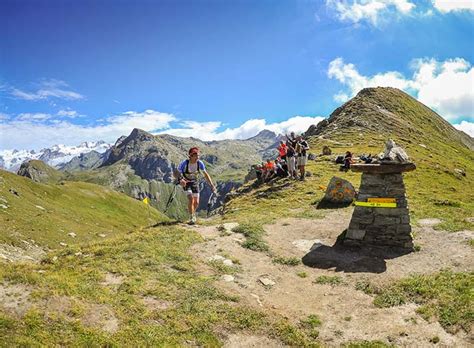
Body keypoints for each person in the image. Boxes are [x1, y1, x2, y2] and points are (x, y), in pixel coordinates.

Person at [177, 147, 216, 225]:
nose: (197, 158)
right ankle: (192, 217)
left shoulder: (200, 163)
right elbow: (176, 172)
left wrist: (211, 185)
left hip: (195, 182)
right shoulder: (184, 163)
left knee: (197, 202)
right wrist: (181, 180)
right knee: (191, 199)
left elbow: (206, 174)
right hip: (186, 182)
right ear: (190, 156)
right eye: (195, 156)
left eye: (198, 156)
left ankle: (192, 213)